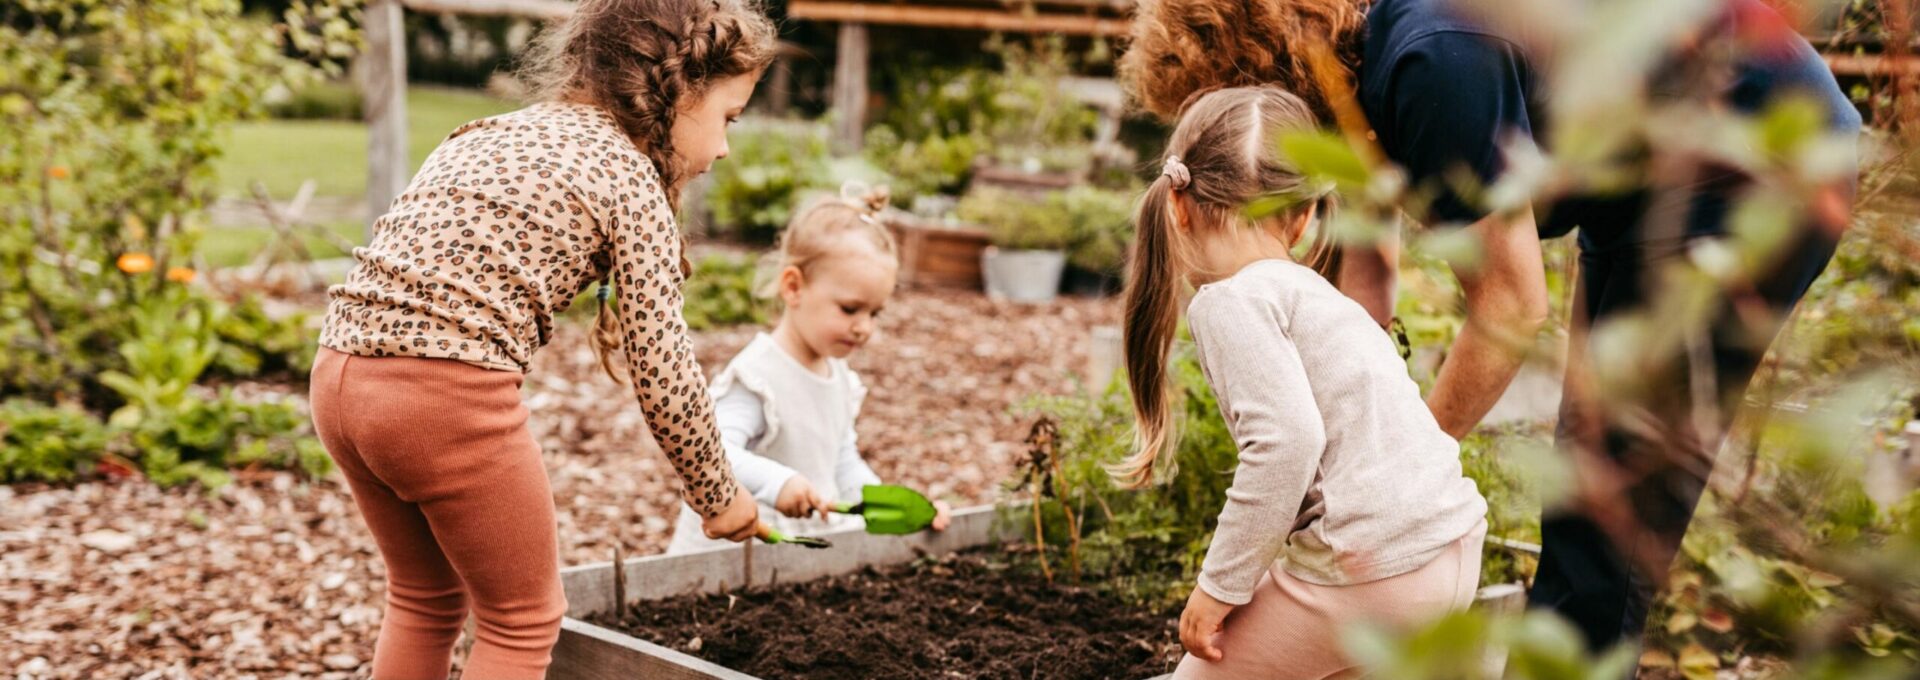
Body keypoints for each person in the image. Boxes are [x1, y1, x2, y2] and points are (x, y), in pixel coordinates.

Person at [1120, 0, 1860, 654]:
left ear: (1256, 77)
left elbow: (1511, 303)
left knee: (1607, 511)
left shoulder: (1431, 60)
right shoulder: (1362, 84)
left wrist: (1397, 482)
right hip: (1648, 196)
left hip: (1757, 168)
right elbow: (1364, 282)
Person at [308, 0, 777, 675]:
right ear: (676, 90)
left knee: (424, 597)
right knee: (521, 620)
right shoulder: (627, 175)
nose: (727, 146)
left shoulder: (486, 131)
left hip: (339, 377)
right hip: (443, 396)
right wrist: (719, 495)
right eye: (729, 117)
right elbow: (664, 367)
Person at [1117, 86, 1489, 678]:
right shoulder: (1317, 296)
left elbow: (1286, 445)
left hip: (1369, 575)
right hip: (1450, 554)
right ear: (1303, 218)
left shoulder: (1231, 300)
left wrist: (1219, 587)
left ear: (1177, 204)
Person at [667, 187, 953, 554]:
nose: (864, 327)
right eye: (850, 310)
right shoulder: (759, 376)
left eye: (874, 313)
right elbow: (711, 452)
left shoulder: (839, 377)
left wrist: (895, 508)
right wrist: (778, 481)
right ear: (794, 287)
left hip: (790, 561)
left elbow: (842, 464)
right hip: (727, 561)